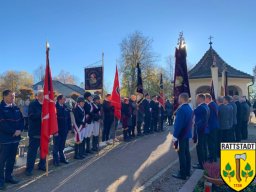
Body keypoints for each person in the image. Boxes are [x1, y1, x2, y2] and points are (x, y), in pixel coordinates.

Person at [0, 90, 24, 189]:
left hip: (15, 139)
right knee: (2, 161)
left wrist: (20, 130)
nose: (13, 98)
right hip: (5, 139)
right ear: (4, 96)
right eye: (11, 96)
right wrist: (13, 131)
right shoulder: (1, 108)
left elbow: (22, 120)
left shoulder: (16, 108)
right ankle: (1, 181)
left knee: (11, 159)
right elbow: (2, 124)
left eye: (14, 96)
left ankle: (8, 177)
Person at [171, 93, 193, 180]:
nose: (178, 100)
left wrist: (175, 136)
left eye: (179, 98)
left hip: (181, 134)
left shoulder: (181, 109)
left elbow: (178, 124)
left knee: (181, 154)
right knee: (186, 152)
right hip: (186, 133)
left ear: (182, 99)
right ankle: (187, 171)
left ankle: (182, 173)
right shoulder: (189, 108)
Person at [26, 91, 46, 176]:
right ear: (36, 96)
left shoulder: (46, 105)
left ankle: (42, 165)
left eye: (43, 95)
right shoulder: (33, 104)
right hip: (35, 132)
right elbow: (31, 116)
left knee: (44, 150)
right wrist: (41, 114)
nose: (42, 97)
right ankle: (29, 169)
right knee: (32, 152)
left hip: (44, 132)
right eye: (40, 95)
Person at [52, 95, 71, 166]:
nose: (65, 100)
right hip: (57, 130)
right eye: (64, 99)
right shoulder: (54, 107)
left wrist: (69, 128)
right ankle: (56, 160)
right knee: (56, 145)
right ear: (59, 100)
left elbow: (68, 118)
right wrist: (54, 131)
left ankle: (62, 158)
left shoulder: (65, 107)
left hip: (64, 129)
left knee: (62, 145)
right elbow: (53, 120)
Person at [193, 94, 209, 169]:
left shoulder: (200, 108)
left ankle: (201, 164)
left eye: (197, 98)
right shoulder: (206, 106)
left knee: (200, 147)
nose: (196, 100)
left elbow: (193, 114)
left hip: (200, 130)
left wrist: (196, 125)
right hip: (205, 129)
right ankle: (204, 162)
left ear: (200, 98)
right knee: (204, 147)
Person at [205, 94, 219, 162]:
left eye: (205, 99)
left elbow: (208, 117)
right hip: (215, 125)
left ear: (208, 98)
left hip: (211, 126)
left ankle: (212, 158)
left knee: (211, 143)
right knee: (213, 142)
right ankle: (214, 157)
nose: (204, 101)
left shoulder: (210, 105)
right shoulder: (214, 104)